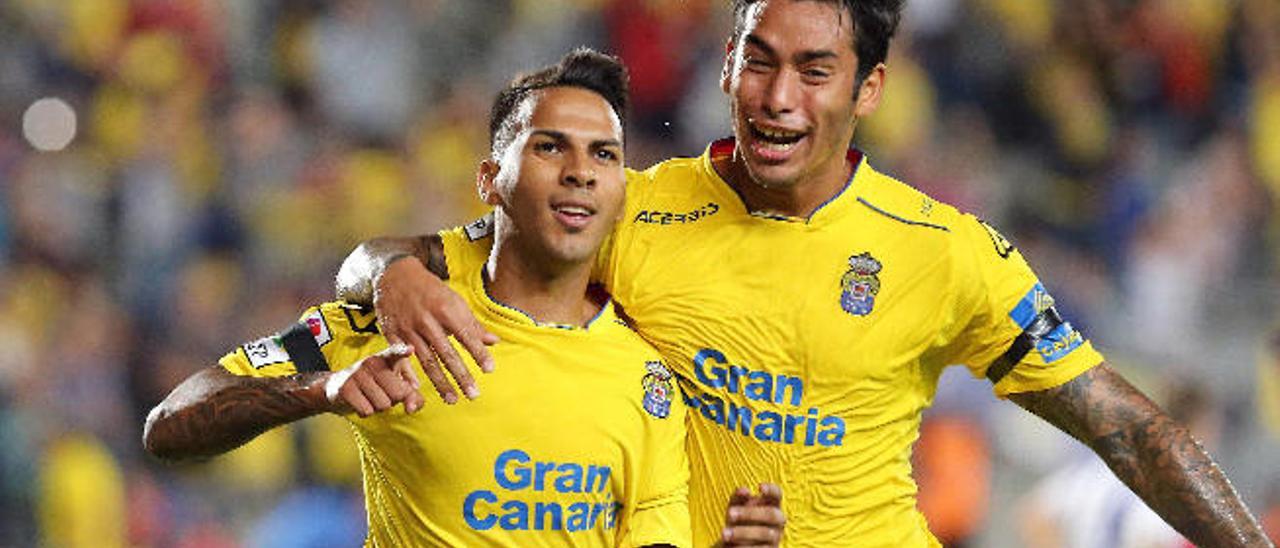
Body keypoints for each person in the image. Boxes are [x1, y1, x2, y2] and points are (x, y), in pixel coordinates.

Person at [335, 1, 1272, 546]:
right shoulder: (635, 207)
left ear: (869, 89)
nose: (779, 98)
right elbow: (389, 258)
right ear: (726, 69)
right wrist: (385, 278)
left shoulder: (943, 251)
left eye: (815, 70)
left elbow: (1130, 432)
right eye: (759, 62)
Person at [144, 49, 784, 547]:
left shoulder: (646, 379)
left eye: (604, 154)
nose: (580, 170)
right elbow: (170, 426)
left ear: (621, 191)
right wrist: (322, 389)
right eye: (549, 145)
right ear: (490, 181)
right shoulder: (399, 320)